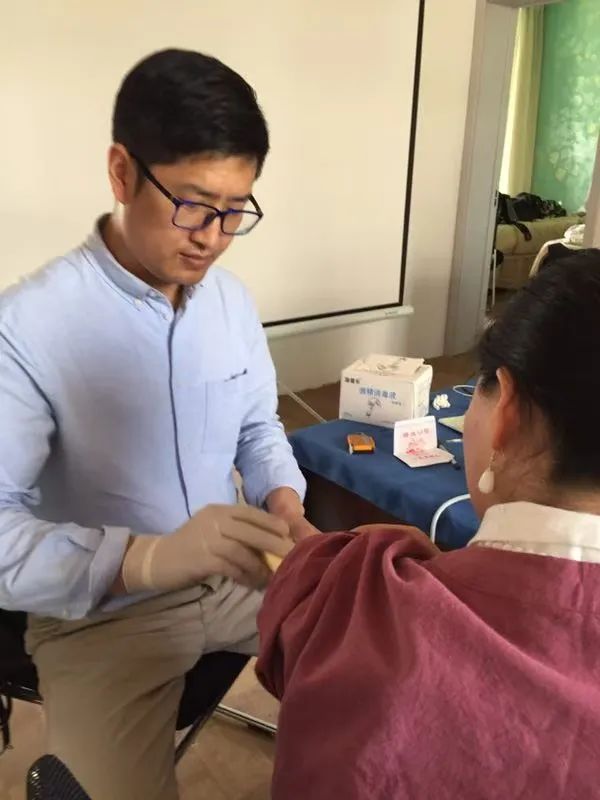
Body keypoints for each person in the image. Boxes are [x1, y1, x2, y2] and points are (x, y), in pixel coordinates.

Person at [0, 49, 314, 799]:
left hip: (237, 575)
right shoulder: (28, 326)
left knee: (388, 659)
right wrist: (146, 560)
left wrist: (283, 503)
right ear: (121, 173)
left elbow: (257, 427)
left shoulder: (229, 302)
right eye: (195, 204)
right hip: (100, 616)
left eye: (236, 211)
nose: (212, 236)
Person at [256, 250, 600, 800]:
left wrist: (329, 547)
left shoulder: (365, 602)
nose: (208, 233)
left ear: (506, 411)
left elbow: (258, 431)